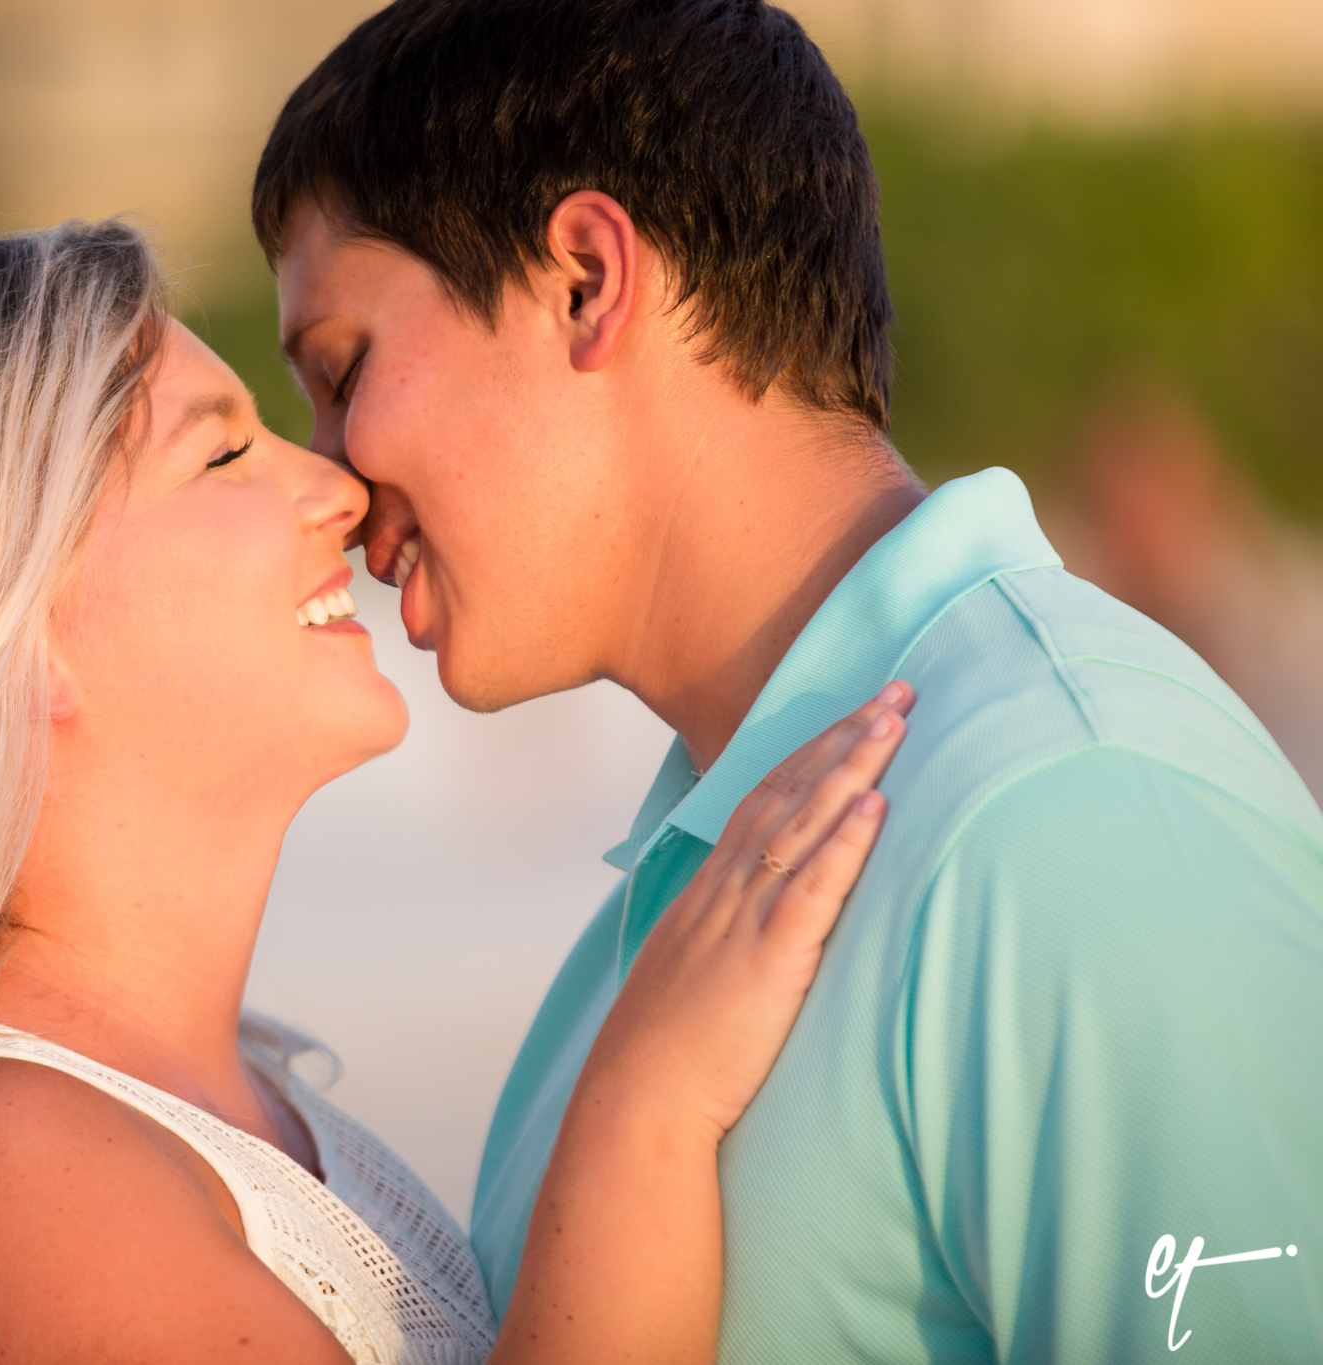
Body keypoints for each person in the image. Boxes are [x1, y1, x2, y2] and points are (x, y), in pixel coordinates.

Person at [0, 221, 910, 1365]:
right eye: (221, 455)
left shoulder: (214, 1105)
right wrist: (646, 1109)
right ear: (6, 624)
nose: (339, 487)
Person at [251, 0, 1323, 1359]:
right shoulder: (704, 879)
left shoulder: (1067, 808)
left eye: (342, 371)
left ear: (586, 278)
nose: (333, 484)